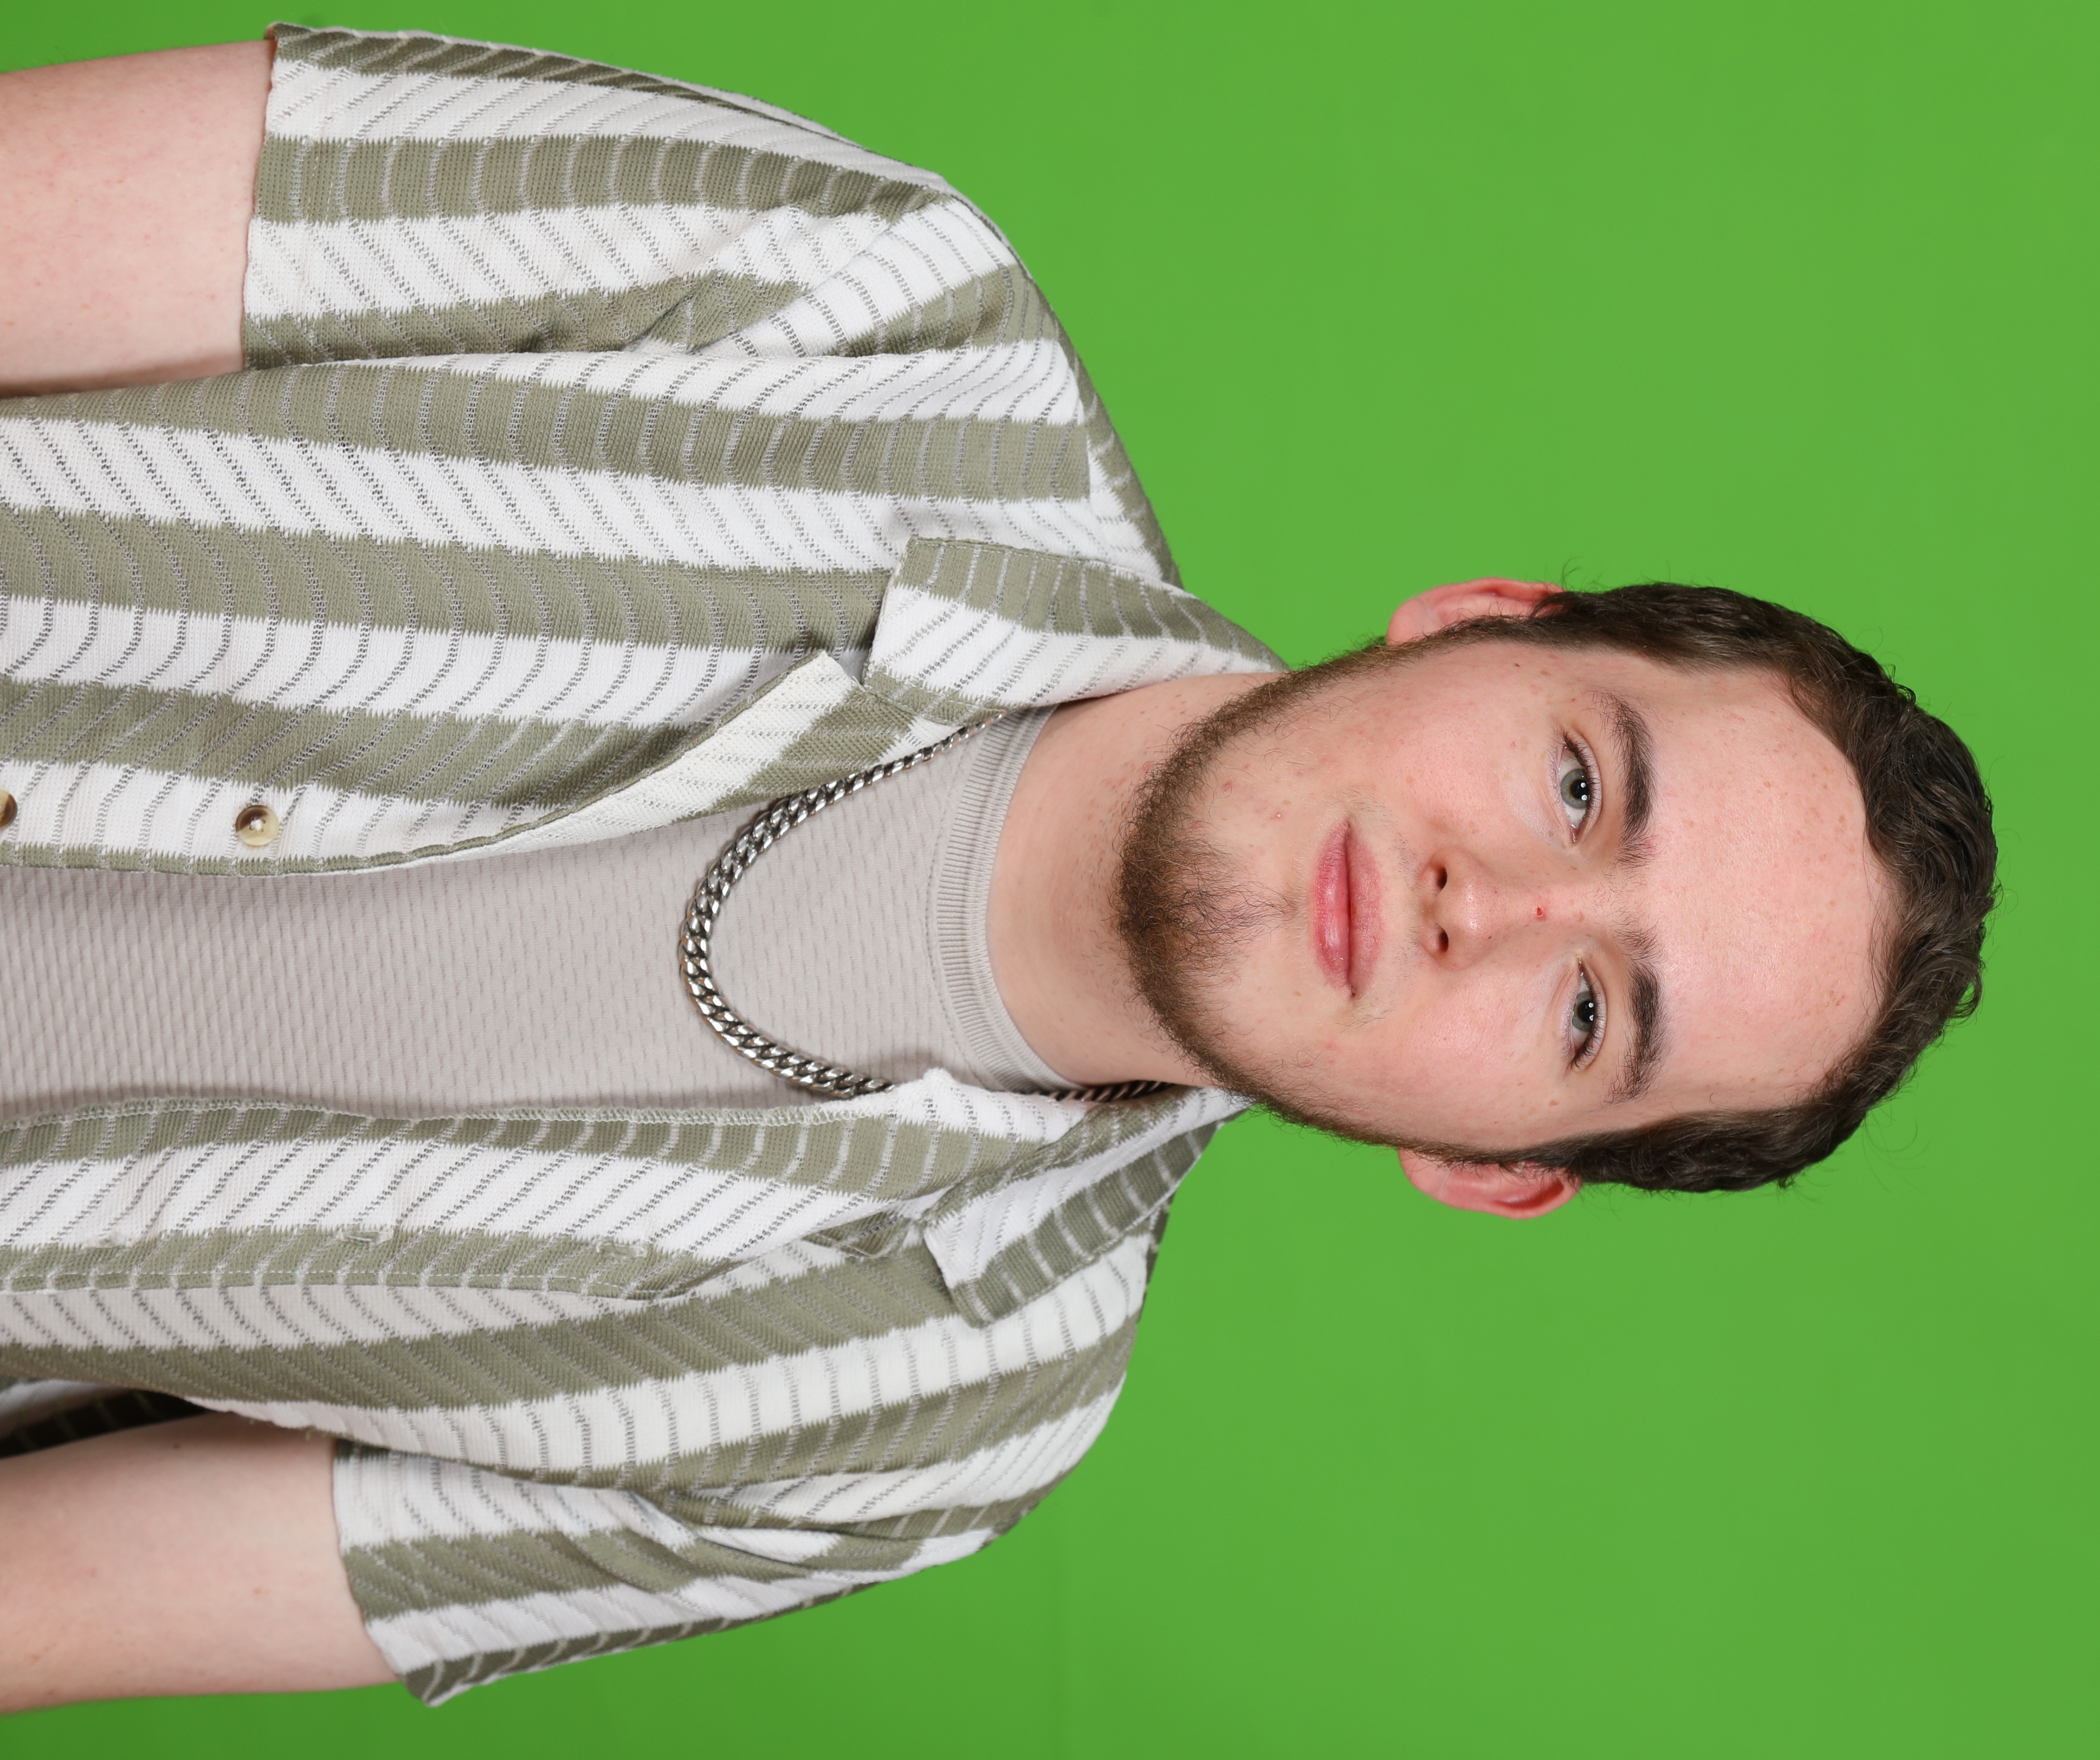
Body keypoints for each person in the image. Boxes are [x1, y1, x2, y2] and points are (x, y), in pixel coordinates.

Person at [0, 27, 1997, 1713]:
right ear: (1478, 618)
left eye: (1588, 1015)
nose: (1499, 906)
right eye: (1578, 785)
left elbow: (43, 1605)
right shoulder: (859, 300)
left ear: (1490, 1169)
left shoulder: (941, 1428)